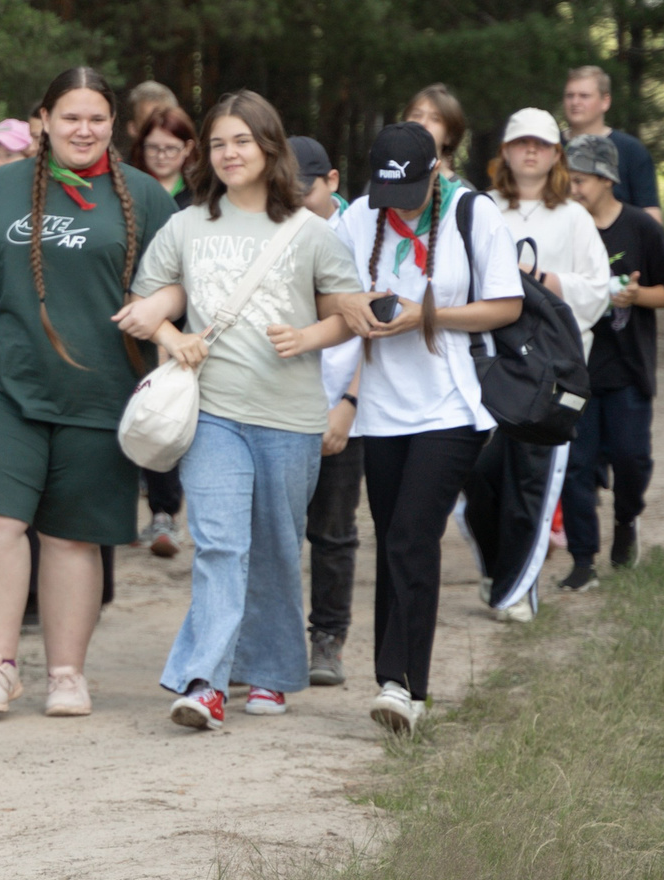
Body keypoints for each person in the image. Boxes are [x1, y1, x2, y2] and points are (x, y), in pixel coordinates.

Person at [0, 68, 176, 718]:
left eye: (96, 118)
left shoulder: (145, 196)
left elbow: (180, 277)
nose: (83, 130)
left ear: (113, 124)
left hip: (103, 388)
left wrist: (163, 311)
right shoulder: (0, 188)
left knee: (71, 536)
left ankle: (67, 675)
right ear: (43, 120)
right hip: (2, 381)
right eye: (70, 117)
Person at [119, 93, 364, 728]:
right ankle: (206, 682)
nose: (230, 154)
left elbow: (348, 315)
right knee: (220, 545)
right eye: (219, 143)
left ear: (270, 148)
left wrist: (306, 338)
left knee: (277, 548)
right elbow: (147, 305)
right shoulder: (187, 226)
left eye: (243, 142)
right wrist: (174, 339)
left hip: (289, 417)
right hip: (213, 413)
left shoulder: (311, 232)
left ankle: (273, 672)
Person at [332, 121, 525, 734]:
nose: (399, 206)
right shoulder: (359, 216)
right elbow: (326, 290)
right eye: (389, 194)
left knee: (413, 535)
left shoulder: (474, 213)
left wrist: (426, 317)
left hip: (454, 405)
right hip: (382, 407)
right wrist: (350, 308)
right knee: (392, 536)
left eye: (411, 193)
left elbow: (506, 305)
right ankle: (394, 681)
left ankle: (404, 686)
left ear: (436, 170)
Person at [460, 109, 611, 625]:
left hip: (547, 376)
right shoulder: (480, 208)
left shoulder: (573, 217)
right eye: (521, 142)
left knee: (530, 484)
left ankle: (518, 590)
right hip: (487, 366)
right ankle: (498, 570)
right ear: (504, 151)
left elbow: (597, 291)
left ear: (556, 155)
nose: (531, 151)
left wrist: (538, 278)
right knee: (477, 478)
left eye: (541, 145)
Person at [559, 133, 664, 591]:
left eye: (581, 181)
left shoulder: (640, 227)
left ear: (607, 179)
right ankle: (582, 560)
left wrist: (636, 295)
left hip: (628, 368)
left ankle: (627, 520)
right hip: (575, 370)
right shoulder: (565, 227)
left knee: (632, 458)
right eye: (568, 180)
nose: (573, 189)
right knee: (576, 465)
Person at [291, 135, 361, 687]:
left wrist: (349, 405)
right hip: (279, 405)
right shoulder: (272, 230)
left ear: (331, 181)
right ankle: (265, 638)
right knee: (270, 530)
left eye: (304, 188)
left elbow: (377, 328)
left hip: (341, 403)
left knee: (333, 531)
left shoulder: (360, 234)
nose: (294, 198)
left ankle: (328, 638)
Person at [126, 100, 201, 555]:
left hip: (186, 314)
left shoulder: (201, 197)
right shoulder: (126, 191)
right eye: (153, 147)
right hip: (129, 309)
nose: (161, 156)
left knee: (166, 409)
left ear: (188, 149)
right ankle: (121, 512)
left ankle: (164, 512)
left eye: (171, 148)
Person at [561, 65, 662, 222]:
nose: (575, 102)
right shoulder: (549, 147)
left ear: (605, 101)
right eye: (569, 96)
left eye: (584, 96)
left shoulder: (631, 150)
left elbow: (650, 216)